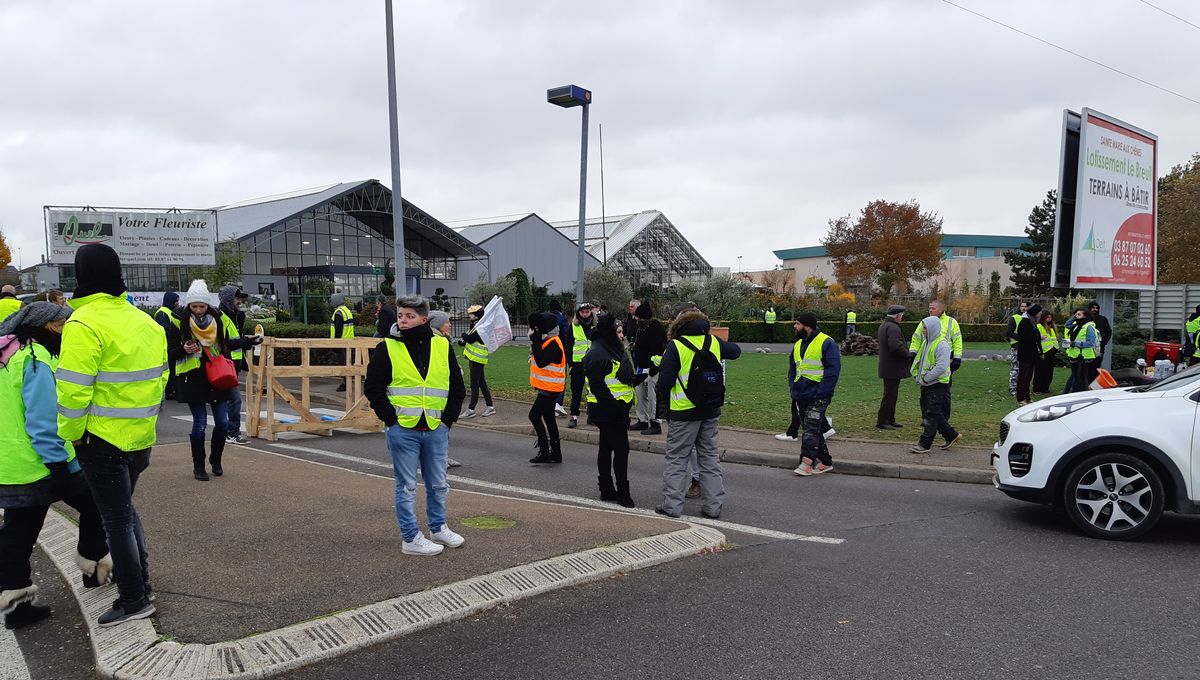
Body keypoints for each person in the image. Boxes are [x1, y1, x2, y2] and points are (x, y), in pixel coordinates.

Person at [56, 243, 167, 627]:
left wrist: (72, 435)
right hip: (140, 437)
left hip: (98, 439)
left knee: (115, 519)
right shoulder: (146, 322)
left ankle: (135, 597)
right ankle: (142, 586)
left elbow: (72, 391)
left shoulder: (83, 323)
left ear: (81, 276)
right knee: (124, 512)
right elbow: (160, 380)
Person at [0, 303, 112, 630]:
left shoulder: (8, 354)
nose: (69, 329)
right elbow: (44, 420)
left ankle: (17, 606)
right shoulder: (34, 359)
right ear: (50, 325)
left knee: (18, 534)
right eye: (66, 323)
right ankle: (93, 567)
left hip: (12, 464)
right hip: (45, 461)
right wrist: (58, 465)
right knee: (96, 504)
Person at [363, 295, 465, 556]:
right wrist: (391, 419)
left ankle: (438, 527)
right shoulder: (387, 347)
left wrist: (447, 421)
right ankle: (410, 538)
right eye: (400, 316)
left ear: (423, 319)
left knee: (438, 483)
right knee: (406, 486)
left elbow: (456, 387)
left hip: (435, 427)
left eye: (409, 316)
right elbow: (373, 388)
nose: (403, 321)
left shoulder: (442, 346)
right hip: (403, 428)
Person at [654, 306, 742, 519]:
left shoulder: (675, 346)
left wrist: (663, 404)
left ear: (678, 325)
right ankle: (714, 505)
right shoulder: (712, 341)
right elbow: (736, 351)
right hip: (710, 409)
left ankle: (672, 506)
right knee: (709, 458)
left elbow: (664, 383)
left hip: (684, 411)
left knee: (677, 459)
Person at [170, 280, 238, 481]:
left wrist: (248, 342)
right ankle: (198, 466)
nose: (198, 310)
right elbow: (170, 352)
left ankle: (215, 460)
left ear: (208, 304)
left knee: (223, 423)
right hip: (193, 378)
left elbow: (225, 344)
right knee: (199, 423)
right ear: (188, 305)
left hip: (216, 376)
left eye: (202, 306)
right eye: (194, 306)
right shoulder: (178, 321)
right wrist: (184, 349)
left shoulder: (219, 320)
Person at [585, 313, 641, 507]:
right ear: (609, 333)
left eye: (622, 331)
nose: (622, 335)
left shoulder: (610, 349)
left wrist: (648, 374)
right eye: (618, 331)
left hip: (615, 408)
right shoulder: (598, 353)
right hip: (607, 410)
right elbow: (598, 386)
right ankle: (622, 493)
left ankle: (607, 490)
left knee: (606, 447)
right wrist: (615, 409)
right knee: (621, 449)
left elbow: (620, 378)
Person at [790, 314, 841, 476]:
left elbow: (833, 371)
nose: (794, 327)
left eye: (797, 324)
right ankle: (825, 462)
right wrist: (793, 388)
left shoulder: (827, 342)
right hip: (801, 393)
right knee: (812, 428)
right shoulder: (798, 344)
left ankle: (806, 463)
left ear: (807, 326)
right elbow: (793, 369)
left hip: (818, 394)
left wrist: (822, 394)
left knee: (811, 429)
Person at [910, 315, 961, 453]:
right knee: (932, 412)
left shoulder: (941, 344)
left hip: (937, 383)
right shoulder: (928, 342)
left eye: (925, 328)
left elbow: (941, 366)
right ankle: (951, 435)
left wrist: (926, 378)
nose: (923, 331)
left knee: (931, 413)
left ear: (932, 328)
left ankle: (925, 444)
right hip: (928, 383)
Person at [218, 286, 260, 445]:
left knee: (228, 400)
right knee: (234, 400)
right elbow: (225, 343)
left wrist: (249, 343)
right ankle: (232, 432)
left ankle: (228, 432)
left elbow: (237, 339)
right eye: (237, 298)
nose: (240, 301)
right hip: (225, 363)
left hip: (233, 363)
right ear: (229, 299)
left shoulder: (236, 316)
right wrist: (245, 342)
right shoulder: (221, 316)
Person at [909, 300, 962, 423]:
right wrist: (913, 352)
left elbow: (957, 340)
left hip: (943, 361)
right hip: (926, 361)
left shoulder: (951, 322)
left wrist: (957, 358)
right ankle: (926, 417)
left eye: (932, 308)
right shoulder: (925, 322)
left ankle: (943, 418)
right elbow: (916, 338)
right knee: (925, 392)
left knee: (943, 392)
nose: (930, 310)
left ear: (940, 309)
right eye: (929, 308)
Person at [527, 313, 566, 464]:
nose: (536, 330)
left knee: (534, 416)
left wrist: (535, 341)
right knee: (549, 419)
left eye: (538, 328)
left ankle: (544, 451)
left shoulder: (554, 343)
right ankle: (556, 453)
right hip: (548, 387)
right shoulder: (548, 341)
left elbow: (542, 361)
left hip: (551, 388)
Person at [630, 302, 666, 436]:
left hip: (652, 369)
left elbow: (660, 351)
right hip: (640, 367)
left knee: (652, 397)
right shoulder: (641, 329)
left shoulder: (657, 330)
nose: (636, 320)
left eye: (638, 318)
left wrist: (654, 368)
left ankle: (655, 423)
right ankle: (642, 419)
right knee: (640, 395)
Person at [458, 304, 496, 418]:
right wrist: (463, 342)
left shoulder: (481, 328)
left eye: (471, 314)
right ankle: (490, 407)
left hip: (477, 359)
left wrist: (463, 336)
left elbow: (470, 338)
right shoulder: (477, 325)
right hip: (475, 358)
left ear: (476, 315)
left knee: (474, 384)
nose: (469, 316)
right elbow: (471, 340)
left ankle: (471, 409)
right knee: (481, 383)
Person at [876, 304, 910, 430]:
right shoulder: (893, 328)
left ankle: (890, 419)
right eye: (901, 316)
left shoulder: (885, 325)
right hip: (892, 367)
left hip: (888, 367)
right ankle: (883, 420)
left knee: (891, 394)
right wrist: (908, 355)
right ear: (897, 316)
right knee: (890, 395)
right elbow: (895, 346)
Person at [565, 302, 596, 429]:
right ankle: (574, 416)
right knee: (576, 391)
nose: (585, 314)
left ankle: (592, 416)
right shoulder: (574, 327)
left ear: (591, 312)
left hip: (593, 363)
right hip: (578, 364)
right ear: (579, 313)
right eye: (582, 312)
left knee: (593, 391)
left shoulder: (596, 327)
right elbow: (568, 346)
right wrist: (570, 364)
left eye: (587, 312)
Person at [154, 292, 182, 400]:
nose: (177, 303)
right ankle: (169, 391)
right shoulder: (162, 313)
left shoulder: (170, 312)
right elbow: (165, 329)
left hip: (172, 345)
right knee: (169, 369)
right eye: (176, 301)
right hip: (166, 346)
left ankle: (173, 390)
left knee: (173, 369)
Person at [1065, 308, 1099, 392]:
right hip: (1075, 355)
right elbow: (1067, 324)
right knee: (1076, 376)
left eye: (1079, 314)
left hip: (1084, 357)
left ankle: (1075, 392)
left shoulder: (1089, 327)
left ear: (1085, 316)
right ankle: (1072, 392)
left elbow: (1091, 343)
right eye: (1075, 314)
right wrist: (1074, 317)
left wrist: (1075, 344)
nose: (1076, 316)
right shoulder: (1077, 325)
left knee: (1080, 378)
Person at [1014, 304, 1042, 404]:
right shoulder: (1025, 322)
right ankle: (1021, 398)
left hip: (1031, 353)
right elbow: (1024, 338)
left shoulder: (1032, 322)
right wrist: (1037, 338)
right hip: (1025, 353)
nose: (1040, 314)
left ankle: (1027, 396)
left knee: (1029, 376)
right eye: (1039, 312)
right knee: (1023, 376)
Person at [547, 300, 571, 416]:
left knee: (549, 376)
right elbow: (566, 336)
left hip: (547, 351)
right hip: (560, 351)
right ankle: (558, 403)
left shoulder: (546, 318)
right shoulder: (562, 319)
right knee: (560, 376)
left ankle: (550, 403)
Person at [330, 292, 354, 392]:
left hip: (341, 343)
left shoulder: (338, 313)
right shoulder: (347, 311)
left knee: (343, 364)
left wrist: (335, 344)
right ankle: (347, 381)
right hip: (349, 342)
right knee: (347, 362)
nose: (331, 302)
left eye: (332, 300)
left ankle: (345, 383)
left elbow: (338, 330)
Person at [1005, 302, 1028, 396]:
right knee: (1015, 368)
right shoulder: (1014, 318)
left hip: (1026, 346)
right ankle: (1013, 387)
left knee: (1024, 369)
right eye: (1022, 306)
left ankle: (1021, 387)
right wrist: (1021, 338)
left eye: (1026, 306)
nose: (1024, 308)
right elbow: (1009, 332)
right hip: (1017, 346)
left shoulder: (1030, 318)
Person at [1033, 311, 1058, 394]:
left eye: (1050, 317)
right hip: (1043, 352)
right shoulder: (1039, 326)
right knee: (1040, 372)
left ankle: (1045, 388)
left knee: (1049, 372)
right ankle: (1037, 388)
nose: (1049, 319)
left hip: (1052, 352)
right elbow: (1035, 338)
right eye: (1047, 317)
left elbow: (1053, 339)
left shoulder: (1051, 328)